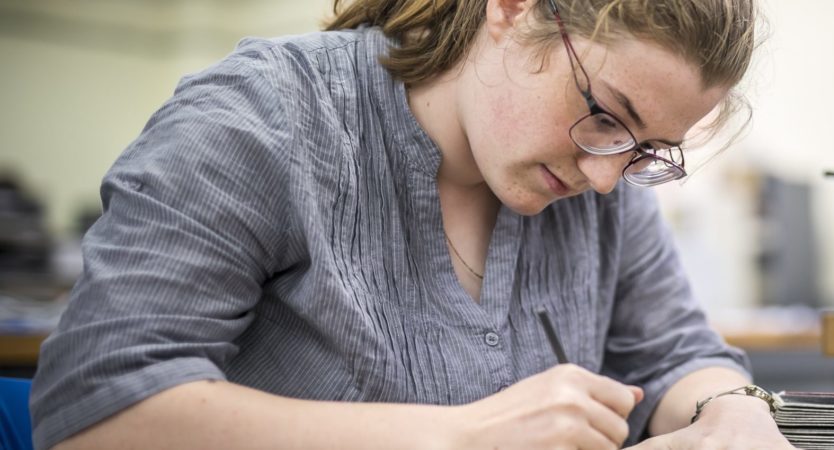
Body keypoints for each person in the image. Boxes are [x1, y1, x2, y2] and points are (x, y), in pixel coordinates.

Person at [30, 0, 793, 448]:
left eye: (647, 150)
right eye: (604, 116)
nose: (604, 177)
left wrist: (732, 410)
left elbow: (676, 356)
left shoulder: (604, 183)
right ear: (512, 10)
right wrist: (456, 436)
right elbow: (96, 404)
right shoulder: (263, 122)